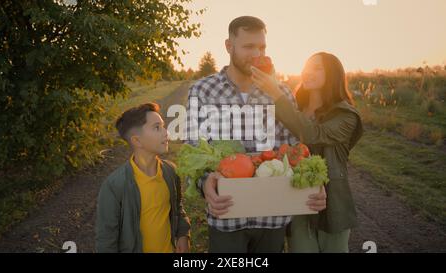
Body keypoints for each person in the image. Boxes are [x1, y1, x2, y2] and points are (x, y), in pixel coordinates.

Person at [185, 16, 327, 253]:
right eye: (248, 47)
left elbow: (294, 148)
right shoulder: (202, 91)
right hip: (227, 215)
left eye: (262, 47)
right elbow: (193, 150)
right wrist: (204, 183)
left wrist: (313, 182)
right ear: (229, 47)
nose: (257, 54)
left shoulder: (279, 92)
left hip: (272, 216)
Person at [251, 52, 363, 253]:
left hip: (331, 203)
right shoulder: (295, 107)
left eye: (317, 68)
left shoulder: (346, 115)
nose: (309, 72)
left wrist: (276, 93)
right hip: (297, 196)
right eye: (307, 67)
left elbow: (312, 134)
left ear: (333, 74)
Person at [96, 103, 191, 253]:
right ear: (137, 141)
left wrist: (183, 234)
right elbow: (106, 239)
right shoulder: (115, 185)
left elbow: (178, 208)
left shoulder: (170, 171)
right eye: (157, 127)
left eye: (163, 126)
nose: (166, 132)